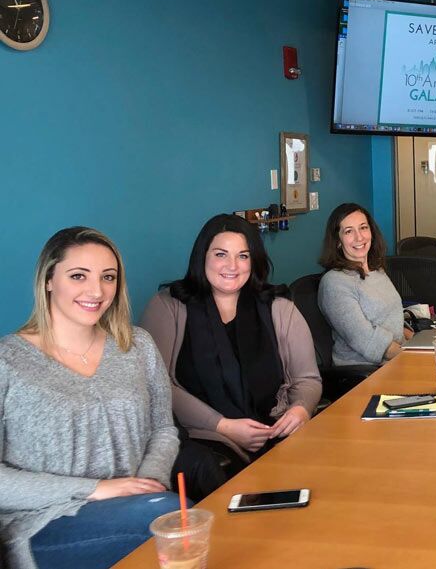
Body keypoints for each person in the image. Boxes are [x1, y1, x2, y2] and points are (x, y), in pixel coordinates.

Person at [2, 227, 180, 569]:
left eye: (108, 277)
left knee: (170, 518)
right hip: (43, 524)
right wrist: (95, 488)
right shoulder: (7, 362)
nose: (96, 291)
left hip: (141, 508)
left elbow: (163, 430)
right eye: (78, 276)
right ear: (49, 280)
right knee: (168, 522)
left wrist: (148, 485)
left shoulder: (137, 345)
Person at [141, 214, 321, 498]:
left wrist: (300, 409)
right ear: (203, 257)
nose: (232, 266)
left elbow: (307, 378)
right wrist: (223, 425)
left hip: (274, 427)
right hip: (204, 435)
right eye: (221, 254)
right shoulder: (169, 306)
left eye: (243, 256)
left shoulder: (278, 307)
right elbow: (159, 387)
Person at [319, 203, 410, 366]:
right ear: (338, 241)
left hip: (395, 360)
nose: (359, 237)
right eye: (348, 231)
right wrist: (413, 358)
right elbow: (365, 339)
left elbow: (389, 319)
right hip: (365, 373)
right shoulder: (334, 282)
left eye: (363, 228)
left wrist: (422, 342)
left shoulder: (377, 271)